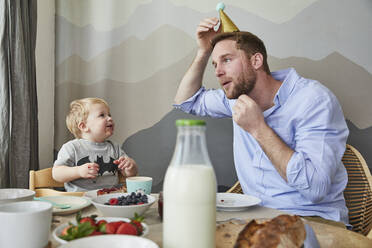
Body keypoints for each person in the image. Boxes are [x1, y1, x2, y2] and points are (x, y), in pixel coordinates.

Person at [174, 17, 349, 226]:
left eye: (227, 60)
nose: (218, 71)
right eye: (215, 64)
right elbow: (185, 100)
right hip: (254, 217)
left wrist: (258, 128)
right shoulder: (236, 99)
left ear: (256, 61)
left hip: (312, 219)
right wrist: (203, 52)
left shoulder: (314, 100)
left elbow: (315, 188)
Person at [52, 97, 138, 192]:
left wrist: (130, 166)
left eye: (109, 115)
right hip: (81, 199)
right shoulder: (72, 148)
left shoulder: (114, 147)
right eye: (102, 115)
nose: (110, 118)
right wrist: (78, 171)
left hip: (110, 197)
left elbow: (129, 174)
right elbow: (57, 173)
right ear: (84, 126)